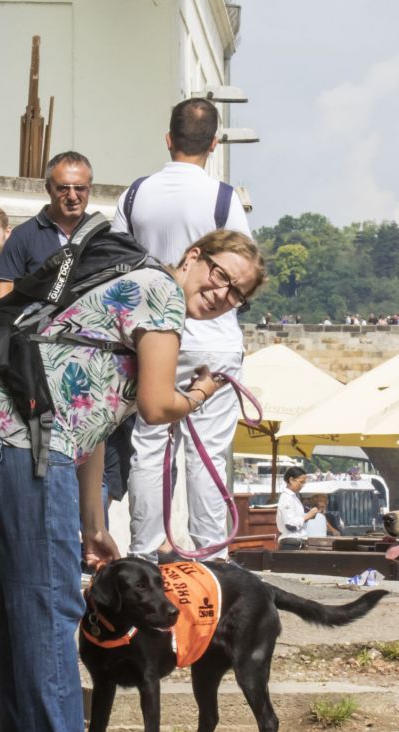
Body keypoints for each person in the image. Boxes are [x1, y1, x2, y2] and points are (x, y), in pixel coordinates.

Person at [0, 228, 266, 732]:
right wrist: (198, 394)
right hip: (24, 442)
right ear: (194, 255)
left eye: (238, 293)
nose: (223, 294)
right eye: (221, 274)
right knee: (49, 607)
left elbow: (93, 421)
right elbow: (153, 406)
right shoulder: (161, 294)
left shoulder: (130, 281)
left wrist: (92, 522)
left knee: (20, 609)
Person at [114, 97, 251, 562]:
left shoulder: (134, 194)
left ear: (168, 139)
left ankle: (144, 551)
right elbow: (242, 266)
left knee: (150, 447)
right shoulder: (223, 198)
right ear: (214, 144)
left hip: (152, 334)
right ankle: (210, 556)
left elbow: (119, 265)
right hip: (211, 339)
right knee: (206, 452)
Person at [0, 151, 92, 299]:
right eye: (63, 188)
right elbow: (2, 295)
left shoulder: (102, 235)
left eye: (79, 188)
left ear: (90, 188)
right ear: (48, 189)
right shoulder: (22, 236)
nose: (72, 196)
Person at [276, 466, 316, 550]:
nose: (302, 485)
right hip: (291, 543)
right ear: (291, 480)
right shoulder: (286, 498)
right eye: (301, 482)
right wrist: (307, 516)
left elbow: (295, 520)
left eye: (304, 482)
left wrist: (308, 516)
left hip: (297, 541)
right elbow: (290, 525)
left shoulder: (293, 497)